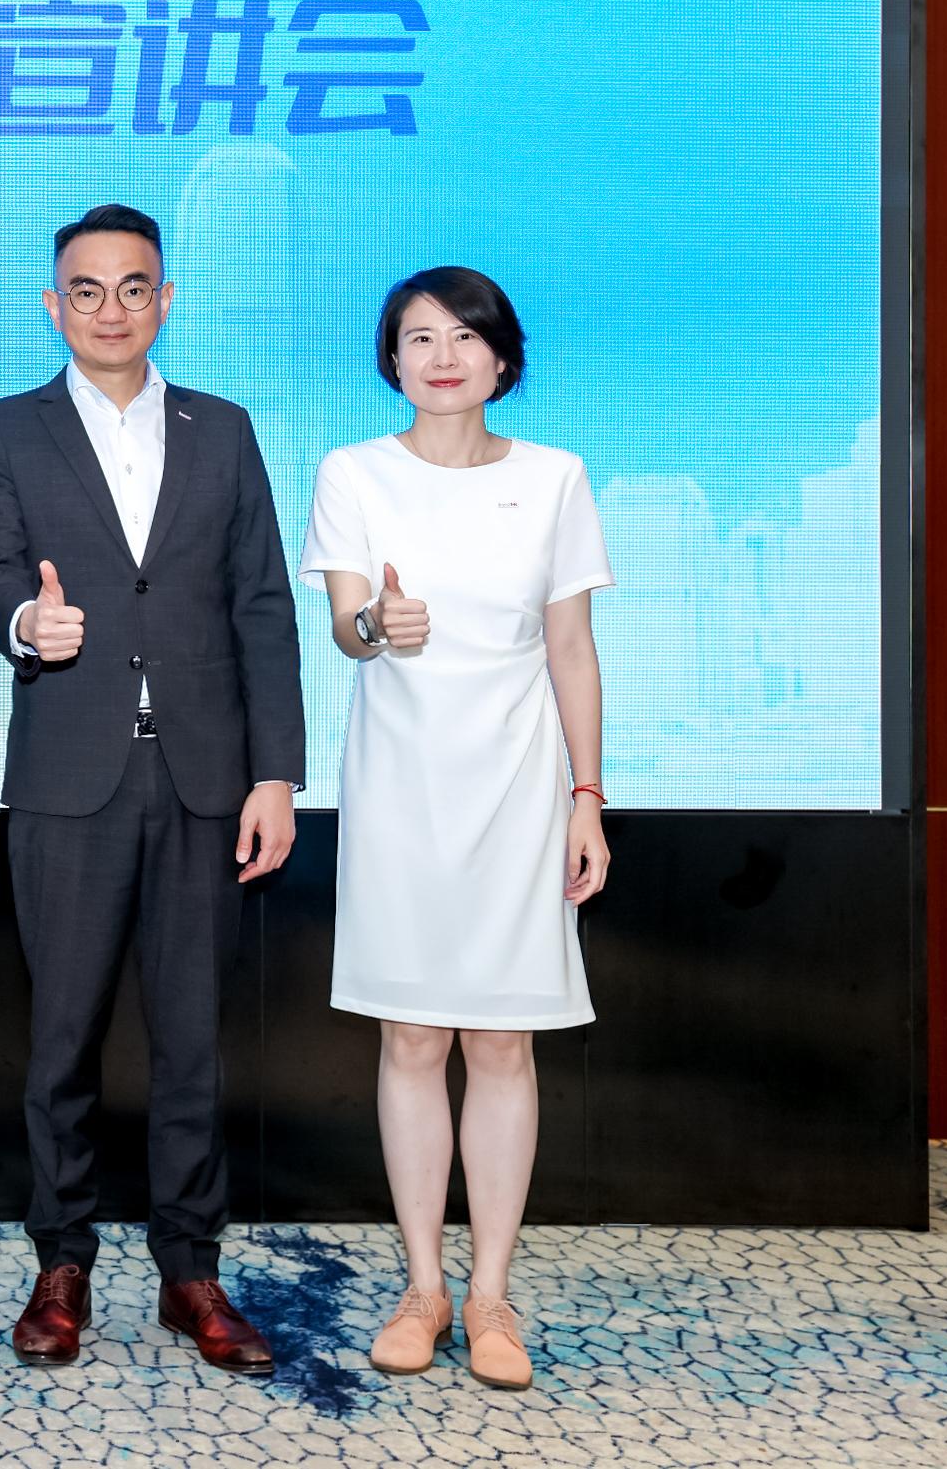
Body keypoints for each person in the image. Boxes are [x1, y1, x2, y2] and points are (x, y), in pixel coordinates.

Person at [0, 202, 304, 1376]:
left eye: (132, 286)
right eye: (86, 288)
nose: (110, 308)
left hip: (205, 778)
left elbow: (262, 603)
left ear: (166, 300)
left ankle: (189, 1271)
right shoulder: (4, 427)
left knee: (191, 1044)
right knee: (60, 1038)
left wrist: (274, 772)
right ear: (51, 305)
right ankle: (60, 1264)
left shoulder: (224, 428)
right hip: (69, 773)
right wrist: (26, 620)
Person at [301, 267, 612, 1393]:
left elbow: (569, 648)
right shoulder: (353, 472)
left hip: (518, 790)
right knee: (411, 1040)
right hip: (400, 791)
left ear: (501, 357)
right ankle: (422, 1287)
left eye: (464, 336)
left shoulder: (553, 477)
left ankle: (490, 1296)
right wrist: (376, 622)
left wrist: (587, 797)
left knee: (502, 1043)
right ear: (390, 360)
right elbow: (344, 626)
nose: (442, 356)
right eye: (418, 337)